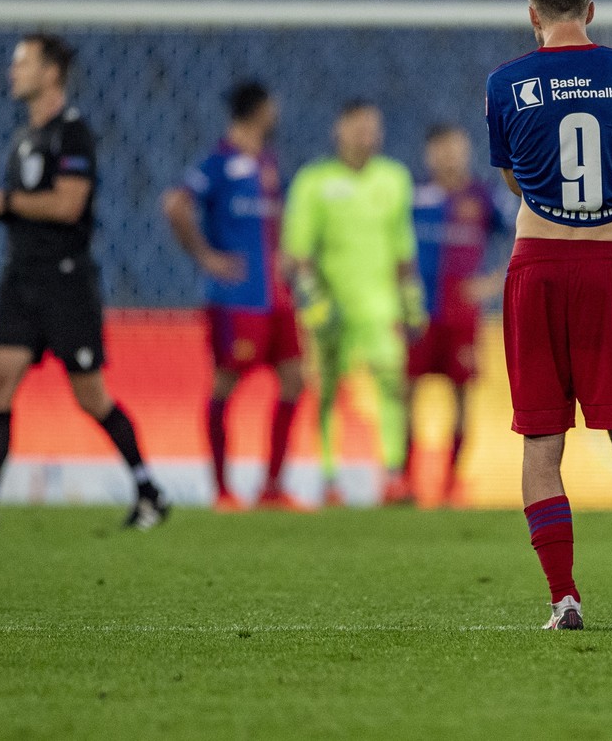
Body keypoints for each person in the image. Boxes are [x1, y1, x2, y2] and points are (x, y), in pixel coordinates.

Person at [487, 0, 612, 630]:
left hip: (535, 267)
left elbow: (514, 177)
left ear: (532, 13)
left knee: (541, 441)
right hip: (606, 265)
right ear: (590, 9)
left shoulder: (506, 82)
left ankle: (564, 598)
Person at [0, 33, 168, 531]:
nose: (12, 72)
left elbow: (68, 205)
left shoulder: (73, 133)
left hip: (65, 282)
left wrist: (6, 204)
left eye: (22, 63)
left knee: (90, 396)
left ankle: (149, 491)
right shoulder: (23, 138)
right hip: (21, 279)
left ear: (51, 73)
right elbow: (28, 207)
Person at [163, 81, 305, 512]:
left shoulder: (268, 162)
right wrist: (207, 256)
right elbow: (175, 204)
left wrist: (282, 258)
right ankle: (222, 489)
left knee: (296, 379)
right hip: (236, 298)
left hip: (276, 297)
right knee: (227, 383)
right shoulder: (218, 160)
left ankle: (272, 487)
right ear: (261, 109)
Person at [282, 100, 425, 507]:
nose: (368, 135)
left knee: (392, 389)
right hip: (331, 312)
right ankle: (329, 479)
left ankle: (393, 476)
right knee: (327, 393)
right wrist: (314, 304)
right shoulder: (314, 181)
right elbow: (298, 253)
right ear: (339, 130)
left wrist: (412, 302)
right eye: (360, 126)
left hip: (381, 311)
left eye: (374, 127)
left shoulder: (394, 178)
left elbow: (403, 248)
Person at [396, 123, 511, 508]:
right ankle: (406, 479)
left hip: (462, 317)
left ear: (466, 151)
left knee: (462, 397)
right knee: (406, 393)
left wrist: (492, 283)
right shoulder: (412, 195)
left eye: (456, 148)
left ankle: (452, 482)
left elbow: (520, 234)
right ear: (429, 154)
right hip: (417, 315)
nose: (449, 156)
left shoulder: (484, 196)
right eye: (441, 149)